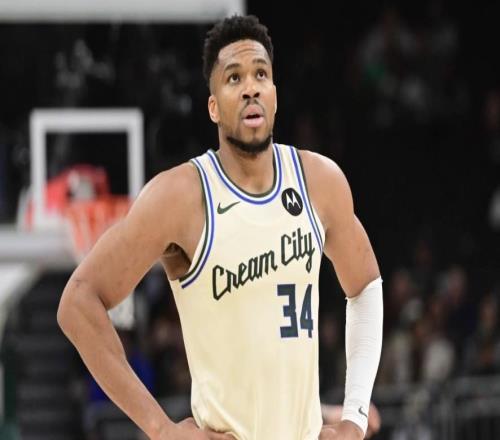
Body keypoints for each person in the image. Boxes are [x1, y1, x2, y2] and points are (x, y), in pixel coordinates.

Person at [57, 14, 383, 440]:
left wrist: (354, 419)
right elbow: (78, 302)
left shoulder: (319, 181)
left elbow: (366, 287)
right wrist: (160, 428)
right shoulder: (180, 196)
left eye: (261, 74)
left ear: (274, 95)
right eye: (234, 78)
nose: (250, 87)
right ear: (213, 107)